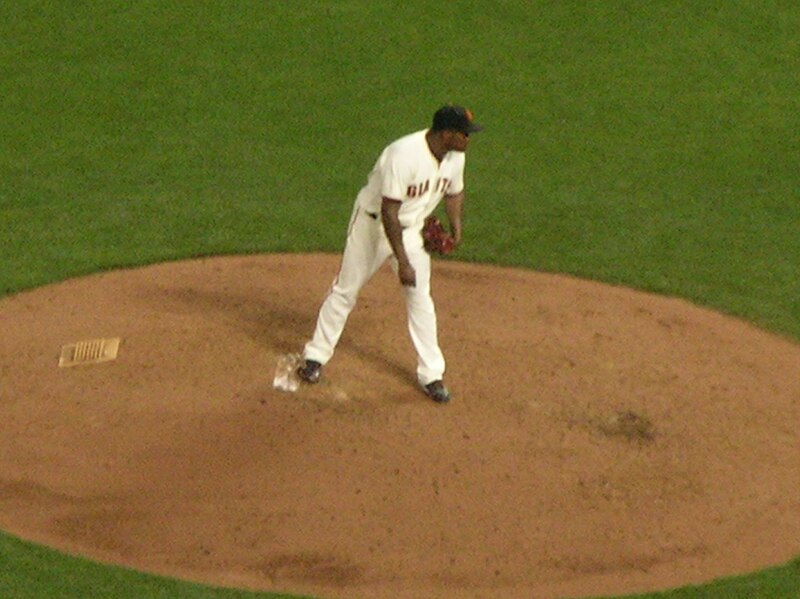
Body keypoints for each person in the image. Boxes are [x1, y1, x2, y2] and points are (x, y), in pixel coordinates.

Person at [296, 105, 482, 403]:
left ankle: (432, 374)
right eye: (464, 134)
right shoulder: (402, 155)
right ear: (446, 134)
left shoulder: (455, 156)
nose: (468, 140)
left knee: (420, 297)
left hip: (410, 229)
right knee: (346, 290)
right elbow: (389, 212)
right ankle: (315, 357)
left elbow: (454, 191)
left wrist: (456, 226)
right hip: (373, 226)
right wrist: (404, 262)